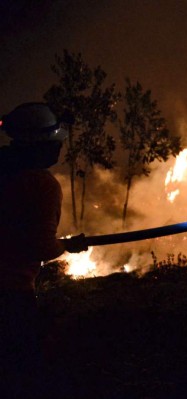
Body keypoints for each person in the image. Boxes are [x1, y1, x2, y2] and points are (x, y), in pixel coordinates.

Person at [0, 102, 87, 398]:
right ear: (38, 145)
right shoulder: (41, 184)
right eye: (54, 142)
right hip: (10, 292)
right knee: (22, 371)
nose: (58, 149)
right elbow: (41, 246)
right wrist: (66, 246)